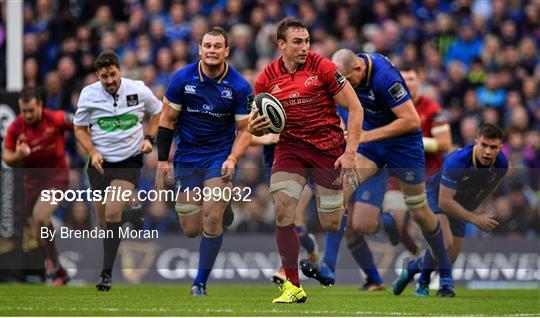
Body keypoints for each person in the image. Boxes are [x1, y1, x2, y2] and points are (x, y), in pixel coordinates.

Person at [248, 18, 364, 304]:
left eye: (307, 41)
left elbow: (356, 107)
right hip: (291, 149)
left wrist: (349, 153)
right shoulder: (266, 79)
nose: (304, 47)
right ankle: (293, 286)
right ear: (281, 44)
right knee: (283, 209)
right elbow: (257, 124)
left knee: (332, 223)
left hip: (327, 149)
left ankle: (321, 234)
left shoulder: (323, 67)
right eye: (297, 42)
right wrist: (255, 128)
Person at [330, 49, 455, 296]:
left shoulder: (385, 77)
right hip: (372, 146)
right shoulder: (348, 74)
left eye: (347, 78)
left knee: (419, 211)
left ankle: (445, 275)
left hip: (403, 146)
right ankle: (327, 266)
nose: (345, 85)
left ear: (358, 69)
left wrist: (366, 135)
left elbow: (412, 121)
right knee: (337, 190)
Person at [155, 27, 253, 297]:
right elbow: (166, 121)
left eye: (217, 46)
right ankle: (225, 204)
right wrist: (163, 161)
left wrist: (233, 157)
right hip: (186, 158)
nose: (212, 50)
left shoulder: (239, 86)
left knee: (211, 219)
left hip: (218, 158)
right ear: (200, 49)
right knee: (190, 229)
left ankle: (200, 282)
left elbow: (245, 130)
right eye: (207, 45)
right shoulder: (182, 79)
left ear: (226, 51)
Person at [74, 50, 162, 291]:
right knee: (104, 223)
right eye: (105, 77)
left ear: (119, 71)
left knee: (113, 211)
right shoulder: (88, 95)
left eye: (113, 75)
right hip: (100, 164)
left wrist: (149, 138)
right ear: (98, 76)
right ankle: (131, 212)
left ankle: (106, 274)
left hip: (129, 161)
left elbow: (158, 111)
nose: (110, 81)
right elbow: (79, 128)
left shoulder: (138, 89)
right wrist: (92, 152)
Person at [393, 123, 507, 296]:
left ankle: (412, 268)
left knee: (450, 256)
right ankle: (425, 284)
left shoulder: (502, 164)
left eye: (493, 147)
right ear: (476, 141)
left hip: (463, 202)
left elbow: (492, 184)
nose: (488, 151)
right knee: (444, 243)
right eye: (484, 145)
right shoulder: (458, 161)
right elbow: (445, 202)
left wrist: (476, 206)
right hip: (438, 196)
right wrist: (475, 219)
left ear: (501, 147)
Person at [3, 87, 73, 286]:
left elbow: (80, 125)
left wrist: (90, 151)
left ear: (40, 106)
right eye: (24, 111)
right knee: (37, 229)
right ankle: (58, 269)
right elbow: (7, 157)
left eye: (31, 111)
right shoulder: (16, 127)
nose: (27, 115)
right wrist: (18, 155)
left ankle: (52, 264)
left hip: (55, 178)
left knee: (41, 216)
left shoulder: (56, 119)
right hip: (31, 183)